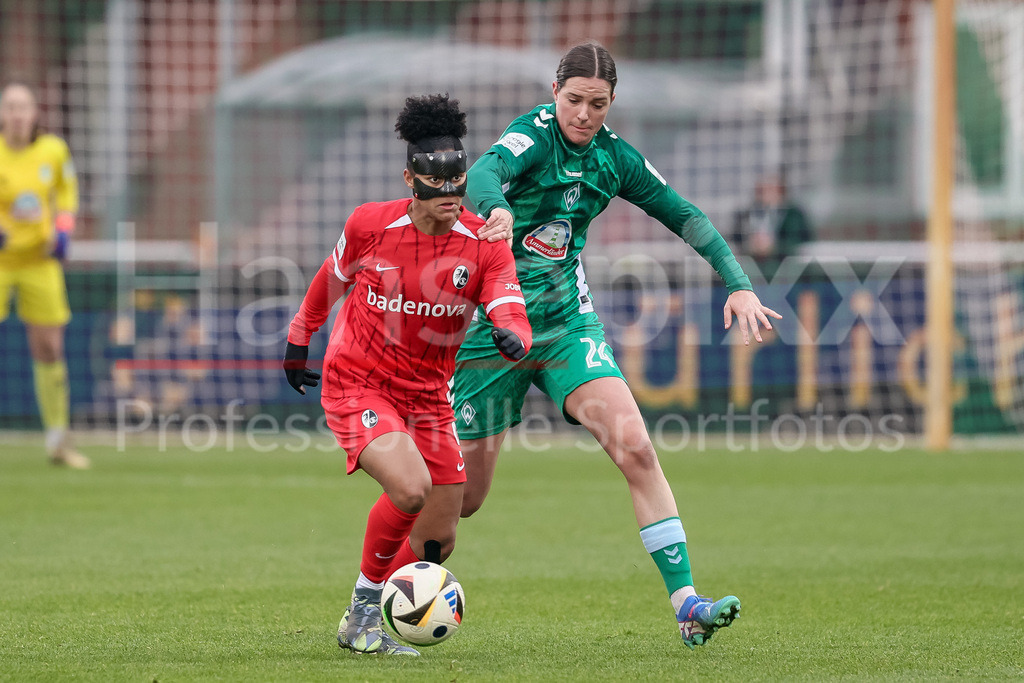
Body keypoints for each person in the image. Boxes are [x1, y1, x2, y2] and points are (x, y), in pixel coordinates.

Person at [407, 42, 781, 650]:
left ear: (611, 103)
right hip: (491, 330)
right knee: (463, 501)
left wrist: (738, 283)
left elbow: (683, 214)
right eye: (574, 99)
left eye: (598, 104)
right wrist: (497, 209)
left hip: (565, 328)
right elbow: (483, 174)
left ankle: (688, 605)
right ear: (555, 93)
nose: (584, 114)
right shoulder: (532, 136)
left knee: (636, 448)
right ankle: (381, 591)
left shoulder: (615, 159)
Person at [283, 94, 532, 656]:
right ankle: (363, 615)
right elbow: (331, 277)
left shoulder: (484, 244)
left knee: (439, 537)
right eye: (435, 181)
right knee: (411, 487)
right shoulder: (370, 224)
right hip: (358, 381)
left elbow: (508, 303)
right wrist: (300, 336)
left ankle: (380, 606)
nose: (448, 193)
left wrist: (514, 333)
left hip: (428, 396)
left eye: (457, 181)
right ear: (410, 178)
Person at [0, 81, 88, 469]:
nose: (17, 114)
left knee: (49, 346)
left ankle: (58, 440)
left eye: (24, 107)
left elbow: (67, 192)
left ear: (35, 112)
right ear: (2, 114)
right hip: (2, 260)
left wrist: (64, 230)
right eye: (10, 107)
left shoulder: (53, 150)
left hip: (39, 260)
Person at [732, 174, 813, 280]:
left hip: (786, 268)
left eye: (771, 189)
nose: (766, 194)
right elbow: (736, 239)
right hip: (754, 267)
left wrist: (773, 246)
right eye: (762, 191)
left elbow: (798, 241)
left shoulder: (793, 214)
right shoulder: (747, 214)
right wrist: (751, 245)